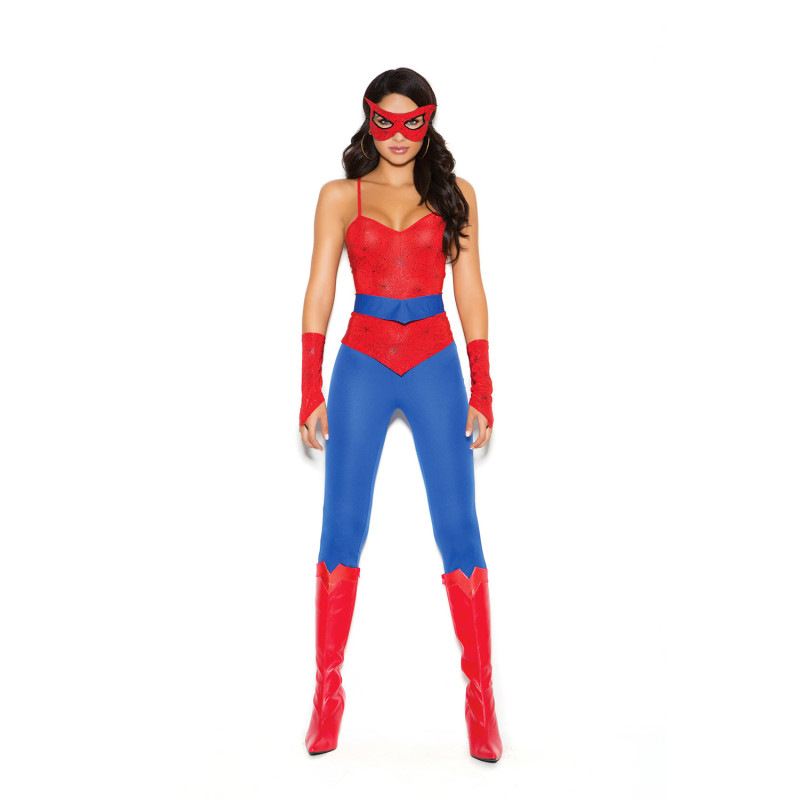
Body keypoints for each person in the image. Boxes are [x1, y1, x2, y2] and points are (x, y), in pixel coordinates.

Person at [298, 68, 502, 762]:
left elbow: (470, 291)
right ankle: (327, 694)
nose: (397, 135)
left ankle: (482, 700)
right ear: (368, 120)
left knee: (458, 525)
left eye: (412, 121)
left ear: (429, 121)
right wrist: (309, 387)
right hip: (361, 364)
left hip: (434, 364)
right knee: (342, 524)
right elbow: (319, 289)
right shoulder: (339, 196)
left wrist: (483, 386)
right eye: (384, 121)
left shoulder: (455, 194)